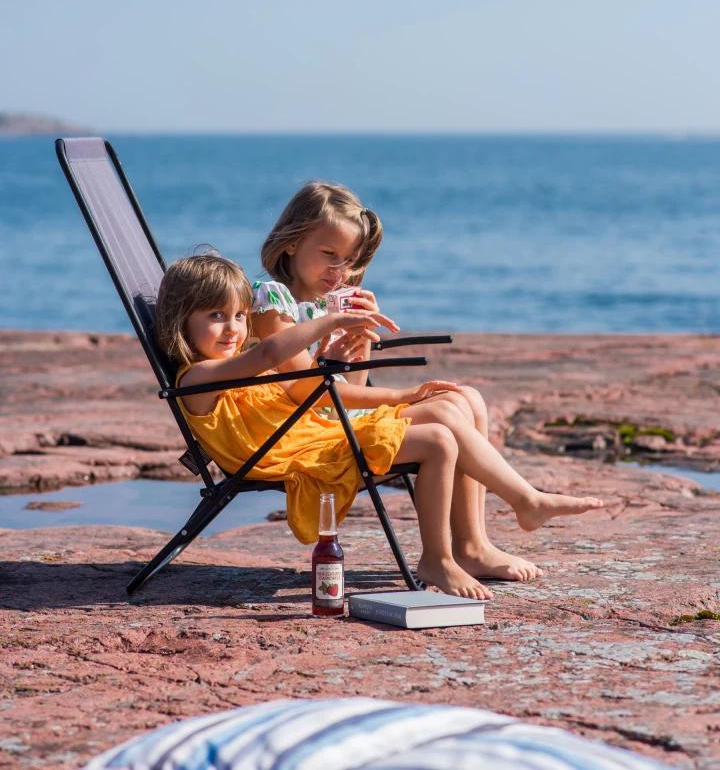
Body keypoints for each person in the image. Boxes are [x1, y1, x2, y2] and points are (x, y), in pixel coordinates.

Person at [155, 252, 603, 601]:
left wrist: (402, 395)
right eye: (215, 316)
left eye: (238, 316)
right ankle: (438, 558)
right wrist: (331, 320)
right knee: (438, 440)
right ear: (181, 322)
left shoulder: (244, 368)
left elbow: (317, 394)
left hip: (314, 433)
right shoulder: (198, 378)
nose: (232, 328)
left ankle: (504, 520)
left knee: (454, 404)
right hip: (295, 454)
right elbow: (268, 353)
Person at [253, 182, 542, 582]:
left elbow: (349, 382)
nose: (339, 270)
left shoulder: (333, 302)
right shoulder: (273, 301)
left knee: (467, 397)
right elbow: (306, 391)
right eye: (328, 254)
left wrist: (358, 340)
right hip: (306, 427)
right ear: (290, 244)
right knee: (445, 412)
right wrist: (398, 393)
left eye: (350, 259)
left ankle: (474, 545)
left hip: (338, 413)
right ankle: (517, 504)